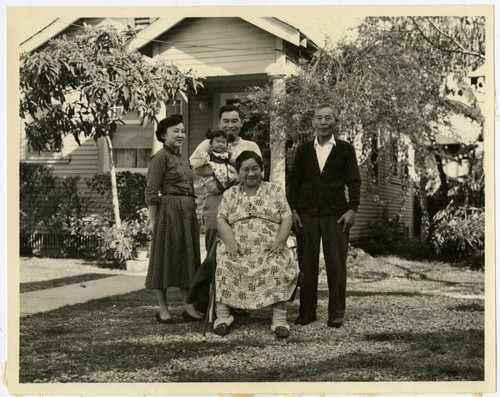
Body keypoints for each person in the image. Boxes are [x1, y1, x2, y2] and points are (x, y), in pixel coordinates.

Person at [288, 103, 361, 328]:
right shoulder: (303, 150)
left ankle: (336, 312)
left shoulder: (346, 149)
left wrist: (353, 209)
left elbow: (354, 181)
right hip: (306, 214)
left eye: (328, 118)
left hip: (336, 215)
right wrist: (293, 211)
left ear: (335, 122)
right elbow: (293, 182)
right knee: (306, 265)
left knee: (336, 265)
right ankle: (307, 312)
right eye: (319, 118)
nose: (323, 122)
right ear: (313, 122)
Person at [213, 151, 299, 338]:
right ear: (238, 172)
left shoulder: (274, 191)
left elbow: (287, 217)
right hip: (237, 246)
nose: (251, 173)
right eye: (245, 169)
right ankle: (222, 316)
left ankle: (279, 320)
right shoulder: (230, 194)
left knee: (277, 265)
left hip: (269, 246)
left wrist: (279, 241)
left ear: (262, 169)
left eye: (255, 169)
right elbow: (221, 220)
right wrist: (230, 243)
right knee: (225, 264)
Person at [145, 114, 204, 324]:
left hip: (186, 212)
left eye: (183, 131)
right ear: (163, 135)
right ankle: (163, 309)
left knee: (187, 258)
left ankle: (188, 306)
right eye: (175, 131)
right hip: (169, 212)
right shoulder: (160, 158)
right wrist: (154, 221)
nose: (181, 135)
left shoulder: (182, 157)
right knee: (165, 258)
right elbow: (151, 190)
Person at [190, 105, 262, 259]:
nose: (230, 125)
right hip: (216, 200)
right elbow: (190, 169)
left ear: (242, 122)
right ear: (219, 123)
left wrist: (238, 176)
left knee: (244, 248)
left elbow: (260, 174)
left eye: (235, 121)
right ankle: (212, 283)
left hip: (245, 201)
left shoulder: (250, 146)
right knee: (213, 251)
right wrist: (220, 170)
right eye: (226, 121)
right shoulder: (208, 143)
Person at [191, 129, 237, 194]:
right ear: (211, 144)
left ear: (227, 145)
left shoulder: (228, 154)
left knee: (235, 178)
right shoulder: (209, 154)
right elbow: (202, 161)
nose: (220, 144)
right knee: (210, 184)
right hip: (213, 180)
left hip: (226, 177)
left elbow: (234, 161)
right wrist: (194, 165)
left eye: (223, 142)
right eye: (218, 141)